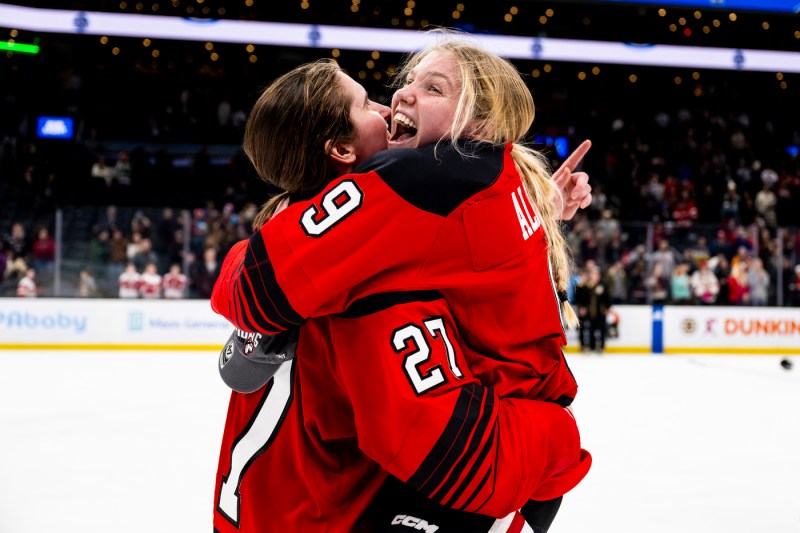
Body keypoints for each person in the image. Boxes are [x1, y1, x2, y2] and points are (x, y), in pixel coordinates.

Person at [213, 41, 592, 533]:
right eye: (372, 101)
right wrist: (554, 445)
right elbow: (426, 437)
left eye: (430, 87)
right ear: (341, 149)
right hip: (329, 507)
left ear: (477, 122)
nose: (393, 101)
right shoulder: (413, 197)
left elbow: (241, 353)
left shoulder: (334, 227)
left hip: (269, 506)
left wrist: (544, 206)